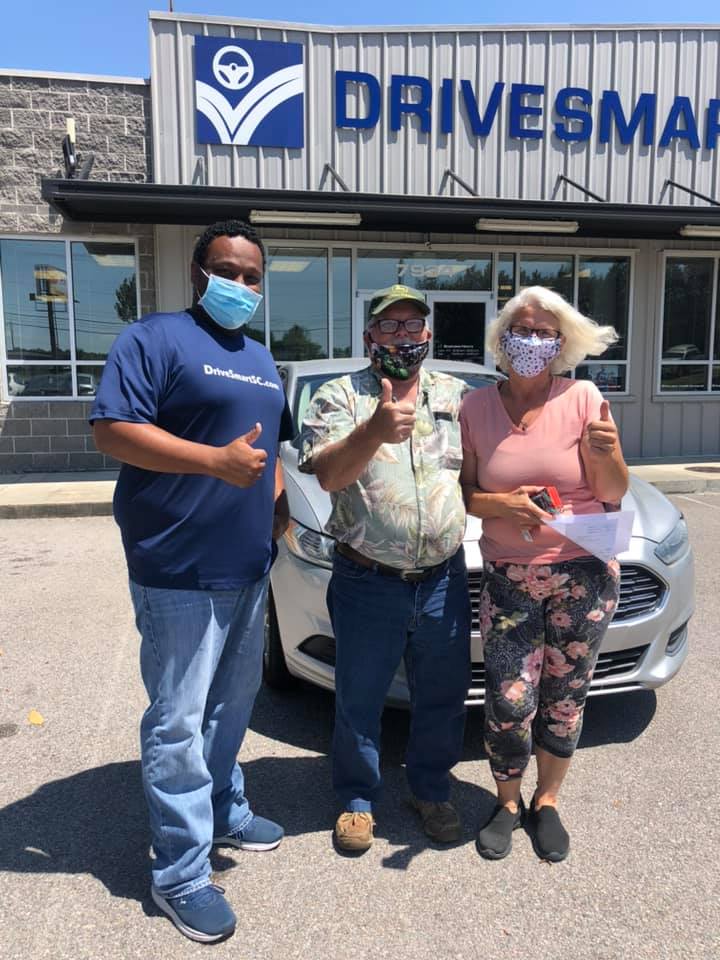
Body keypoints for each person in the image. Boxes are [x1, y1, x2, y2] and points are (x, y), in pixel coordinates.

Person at [91, 219, 293, 943]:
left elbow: (270, 451)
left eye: (252, 276)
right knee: (177, 722)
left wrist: (278, 508)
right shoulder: (153, 339)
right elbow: (112, 429)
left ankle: (223, 810)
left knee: (231, 707)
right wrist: (212, 462)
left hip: (248, 565)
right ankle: (179, 873)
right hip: (177, 567)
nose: (240, 285)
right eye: (227, 271)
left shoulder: (262, 359)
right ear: (197, 274)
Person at [299, 283, 471, 852]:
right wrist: (373, 431)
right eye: (389, 325)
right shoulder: (338, 396)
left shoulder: (456, 395)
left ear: (428, 333)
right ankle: (356, 799)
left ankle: (431, 789)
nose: (402, 335)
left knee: (442, 694)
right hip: (367, 579)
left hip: (443, 578)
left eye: (412, 324)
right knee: (360, 695)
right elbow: (328, 475)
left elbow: (481, 471)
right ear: (369, 334)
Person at [459, 285, 628, 863]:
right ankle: (507, 803)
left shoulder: (583, 398)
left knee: (566, 693)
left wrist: (609, 453)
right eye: (522, 330)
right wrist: (504, 505)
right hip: (509, 577)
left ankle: (547, 800)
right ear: (502, 337)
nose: (531, 341)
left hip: (582, 574)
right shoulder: (476, 408)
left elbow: (613, 491)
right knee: (509, 698)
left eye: (544, 332)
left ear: (562, 342)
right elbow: (466, 494)